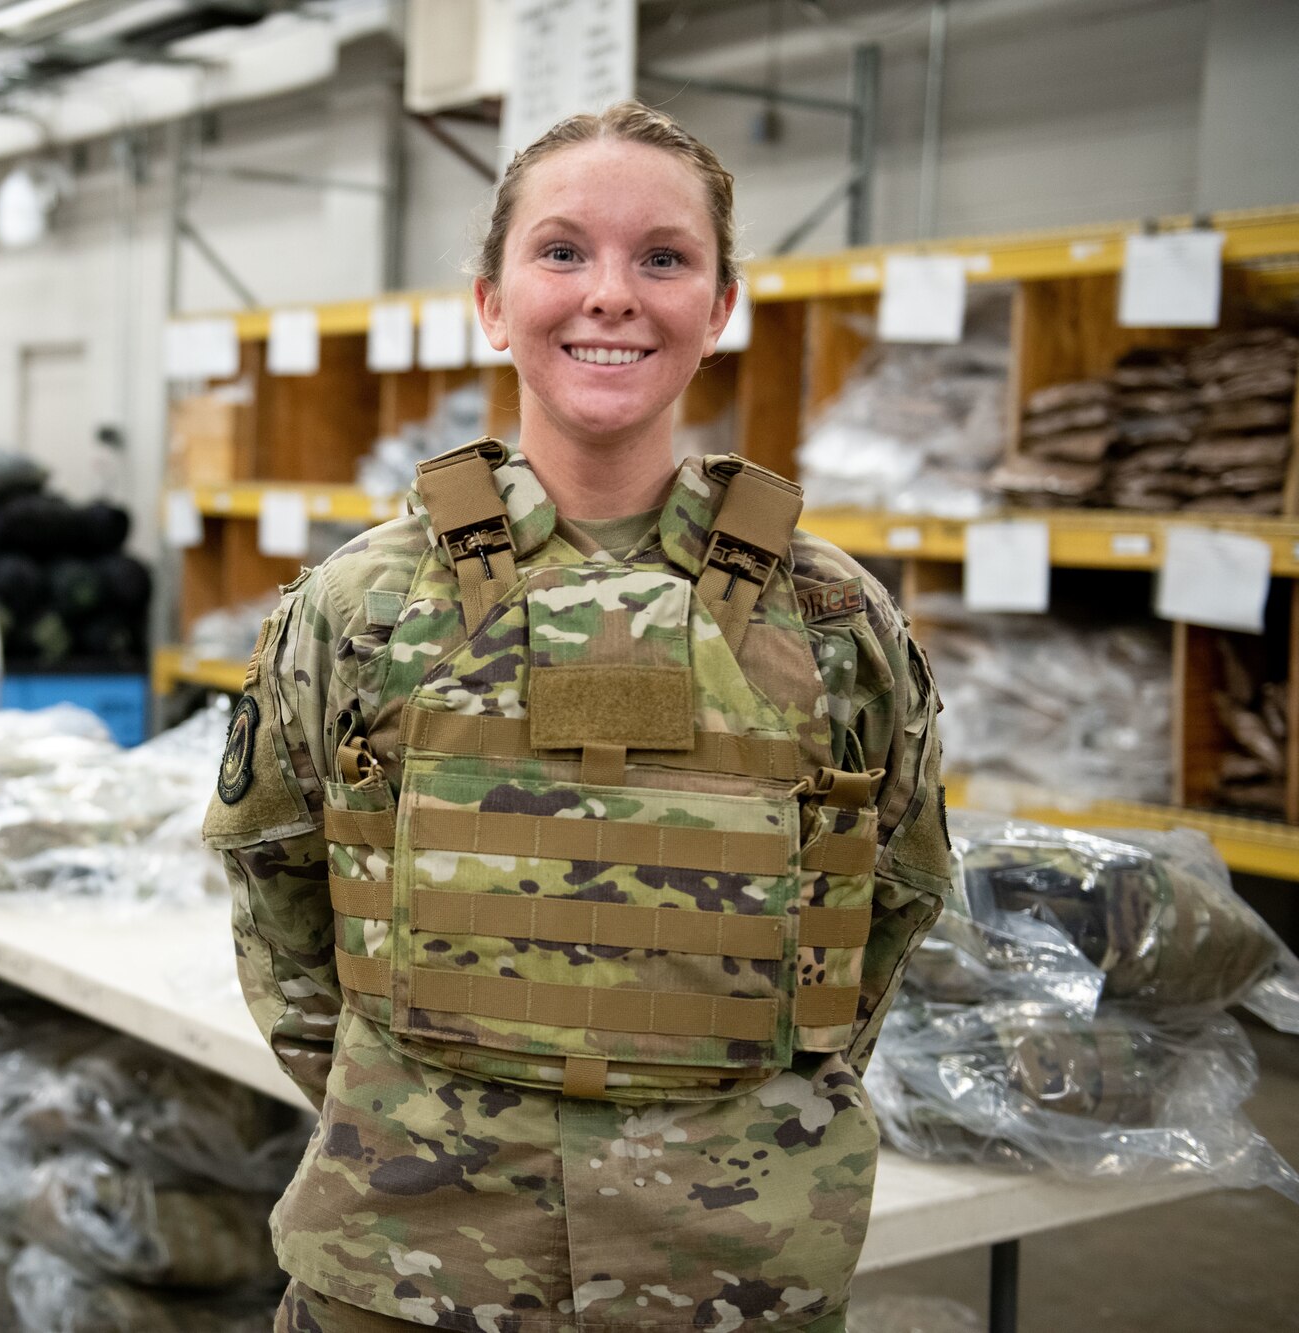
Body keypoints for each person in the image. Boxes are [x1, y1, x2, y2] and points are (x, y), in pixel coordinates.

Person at [204, 100, 951, 1333]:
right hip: (409, 1260)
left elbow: (894, 899)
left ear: (718, 307)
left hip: (729, 1269)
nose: (610, 294)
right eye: (560, 252)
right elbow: (277, 902)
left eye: (662, 257)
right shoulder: (359, 606)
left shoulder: (831, 616)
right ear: (492, 302)